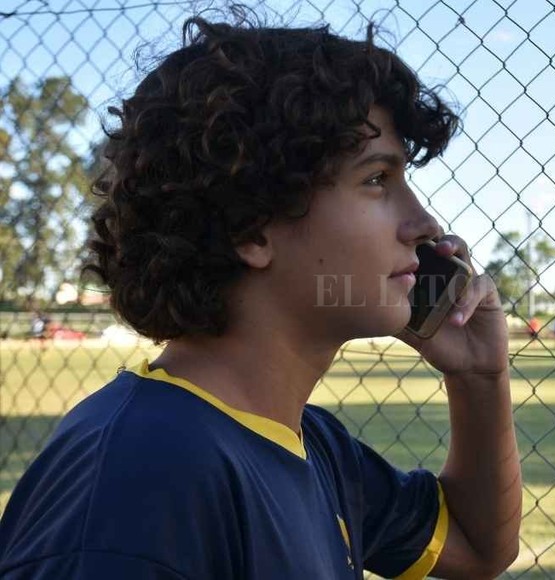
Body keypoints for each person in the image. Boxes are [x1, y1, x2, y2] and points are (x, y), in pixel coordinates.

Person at [0, 13, 521, 580]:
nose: (425, 224)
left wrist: (478, 377)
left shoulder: (310, 443)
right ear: (250, 227)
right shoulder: (143, 476)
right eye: (377, 180)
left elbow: (478, 549)